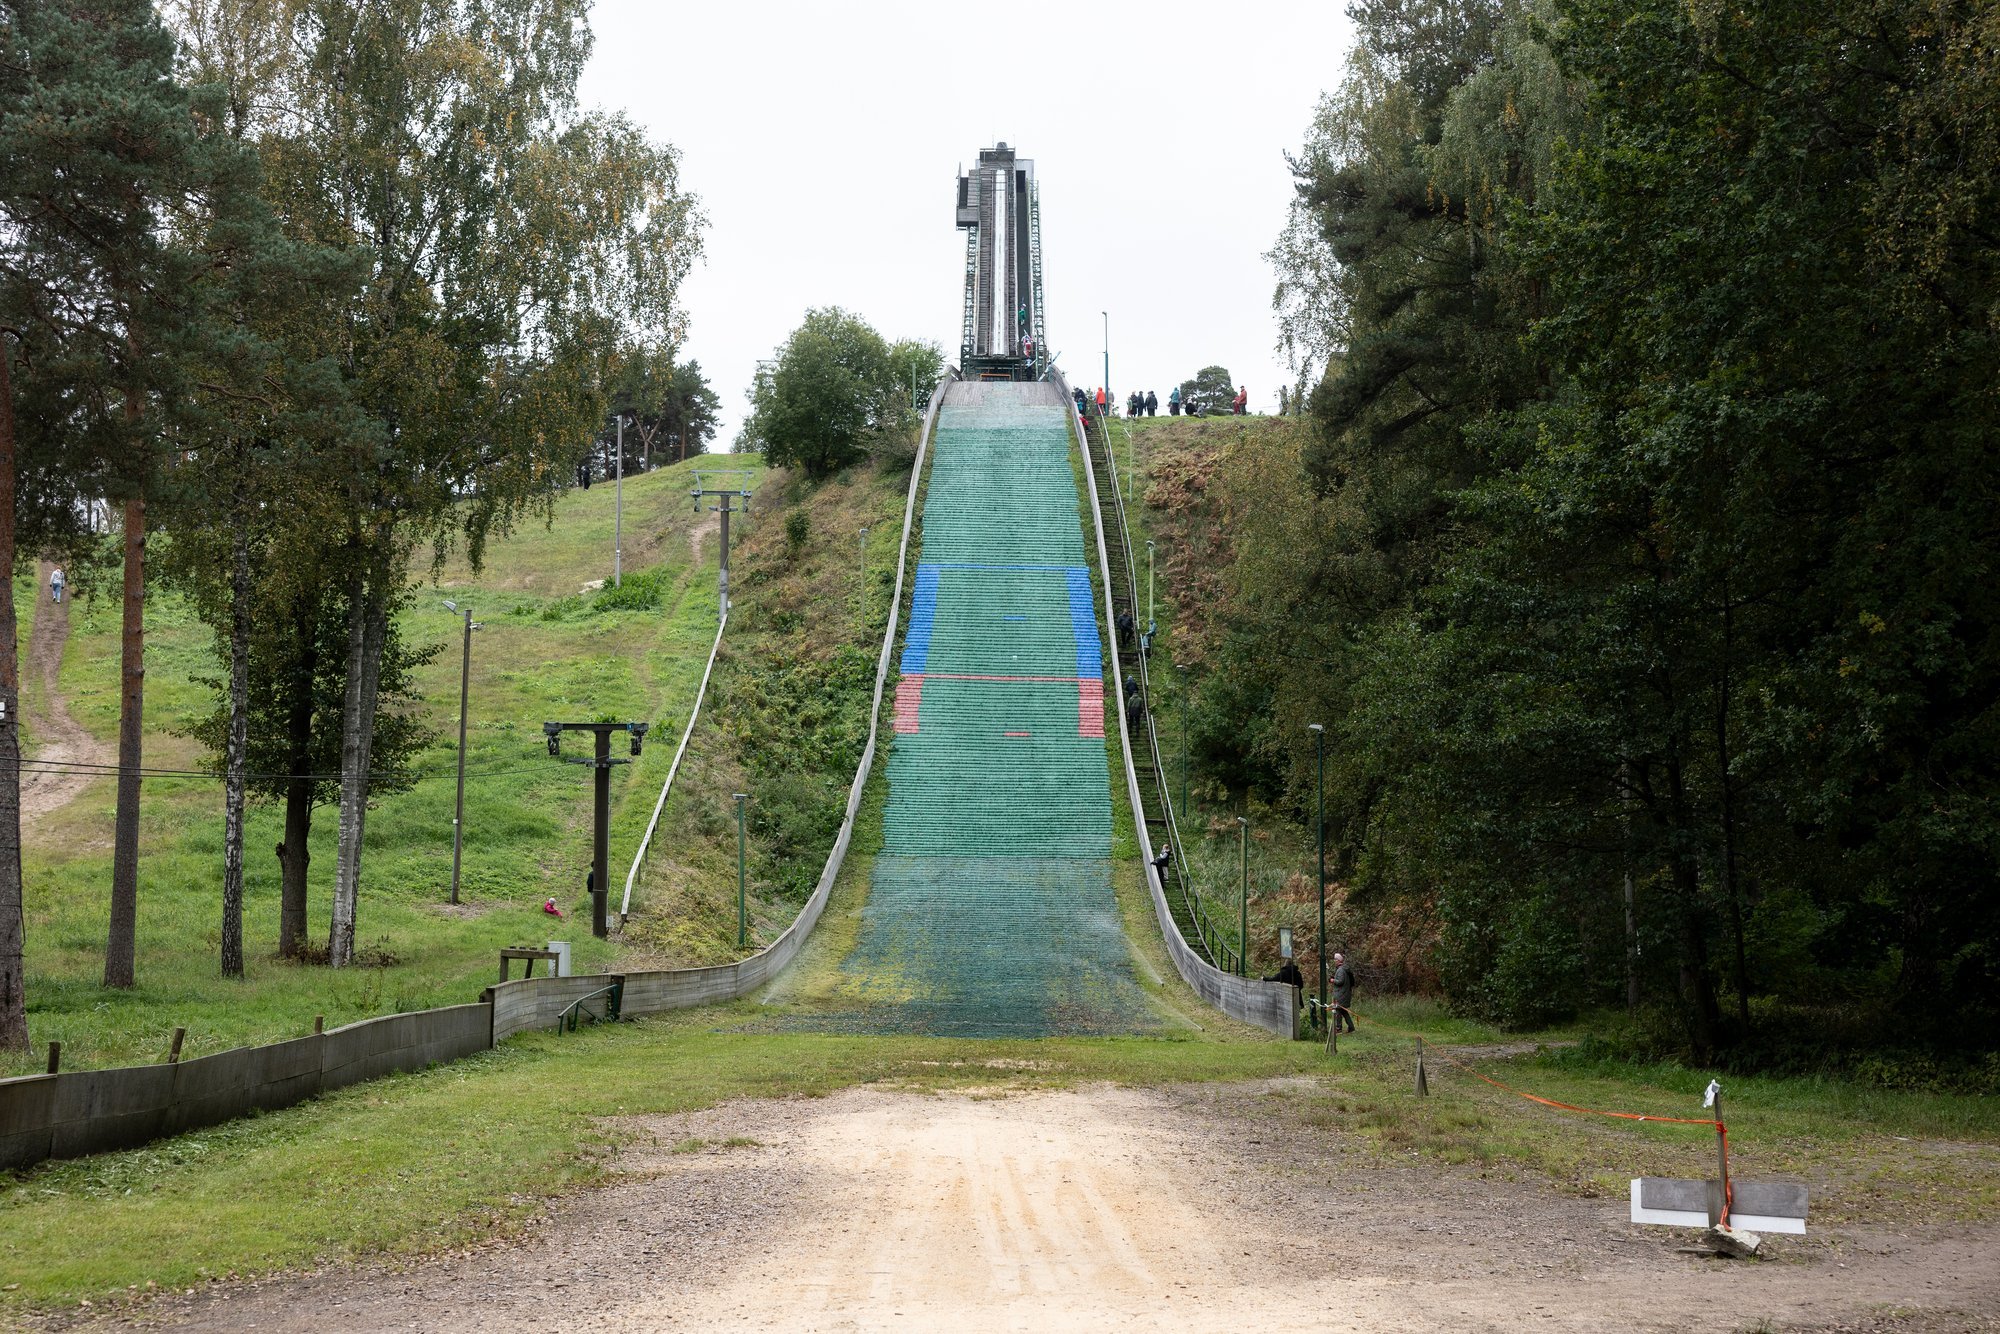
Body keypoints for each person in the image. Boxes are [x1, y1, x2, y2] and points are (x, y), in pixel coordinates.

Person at [1330, 951, 1356, 1031]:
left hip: (1341, 994)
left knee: (1338, 1010)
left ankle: (1338, 1028)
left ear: (1338, 960)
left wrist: (1333, 980)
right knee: (1344, 1011)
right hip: (1344, 993)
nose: (1334, 961)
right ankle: (1351, 1027)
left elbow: (1340, 981)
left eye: (1335, 959)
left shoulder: (1341, 970)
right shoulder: (1343, 969)